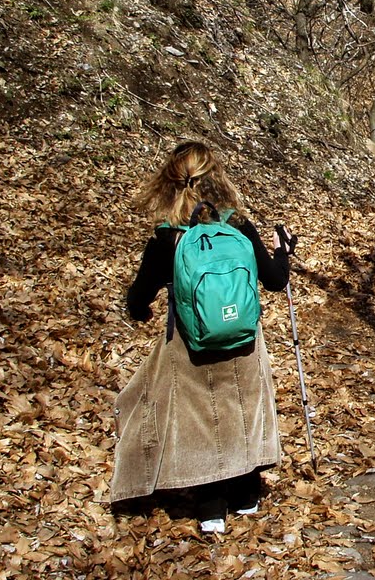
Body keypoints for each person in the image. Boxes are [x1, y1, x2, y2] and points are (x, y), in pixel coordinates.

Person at [108, 141, 289, 533]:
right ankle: (247, 495)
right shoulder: (237, 226)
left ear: (170, 182)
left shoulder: (167, 238)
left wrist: (139, 311)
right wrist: (283, 253)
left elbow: (138, 298)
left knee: (202, 416)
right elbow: (275, 281)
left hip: (189, 344)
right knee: (242, 407)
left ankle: (210, 509)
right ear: (219, 179)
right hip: (244, 339)